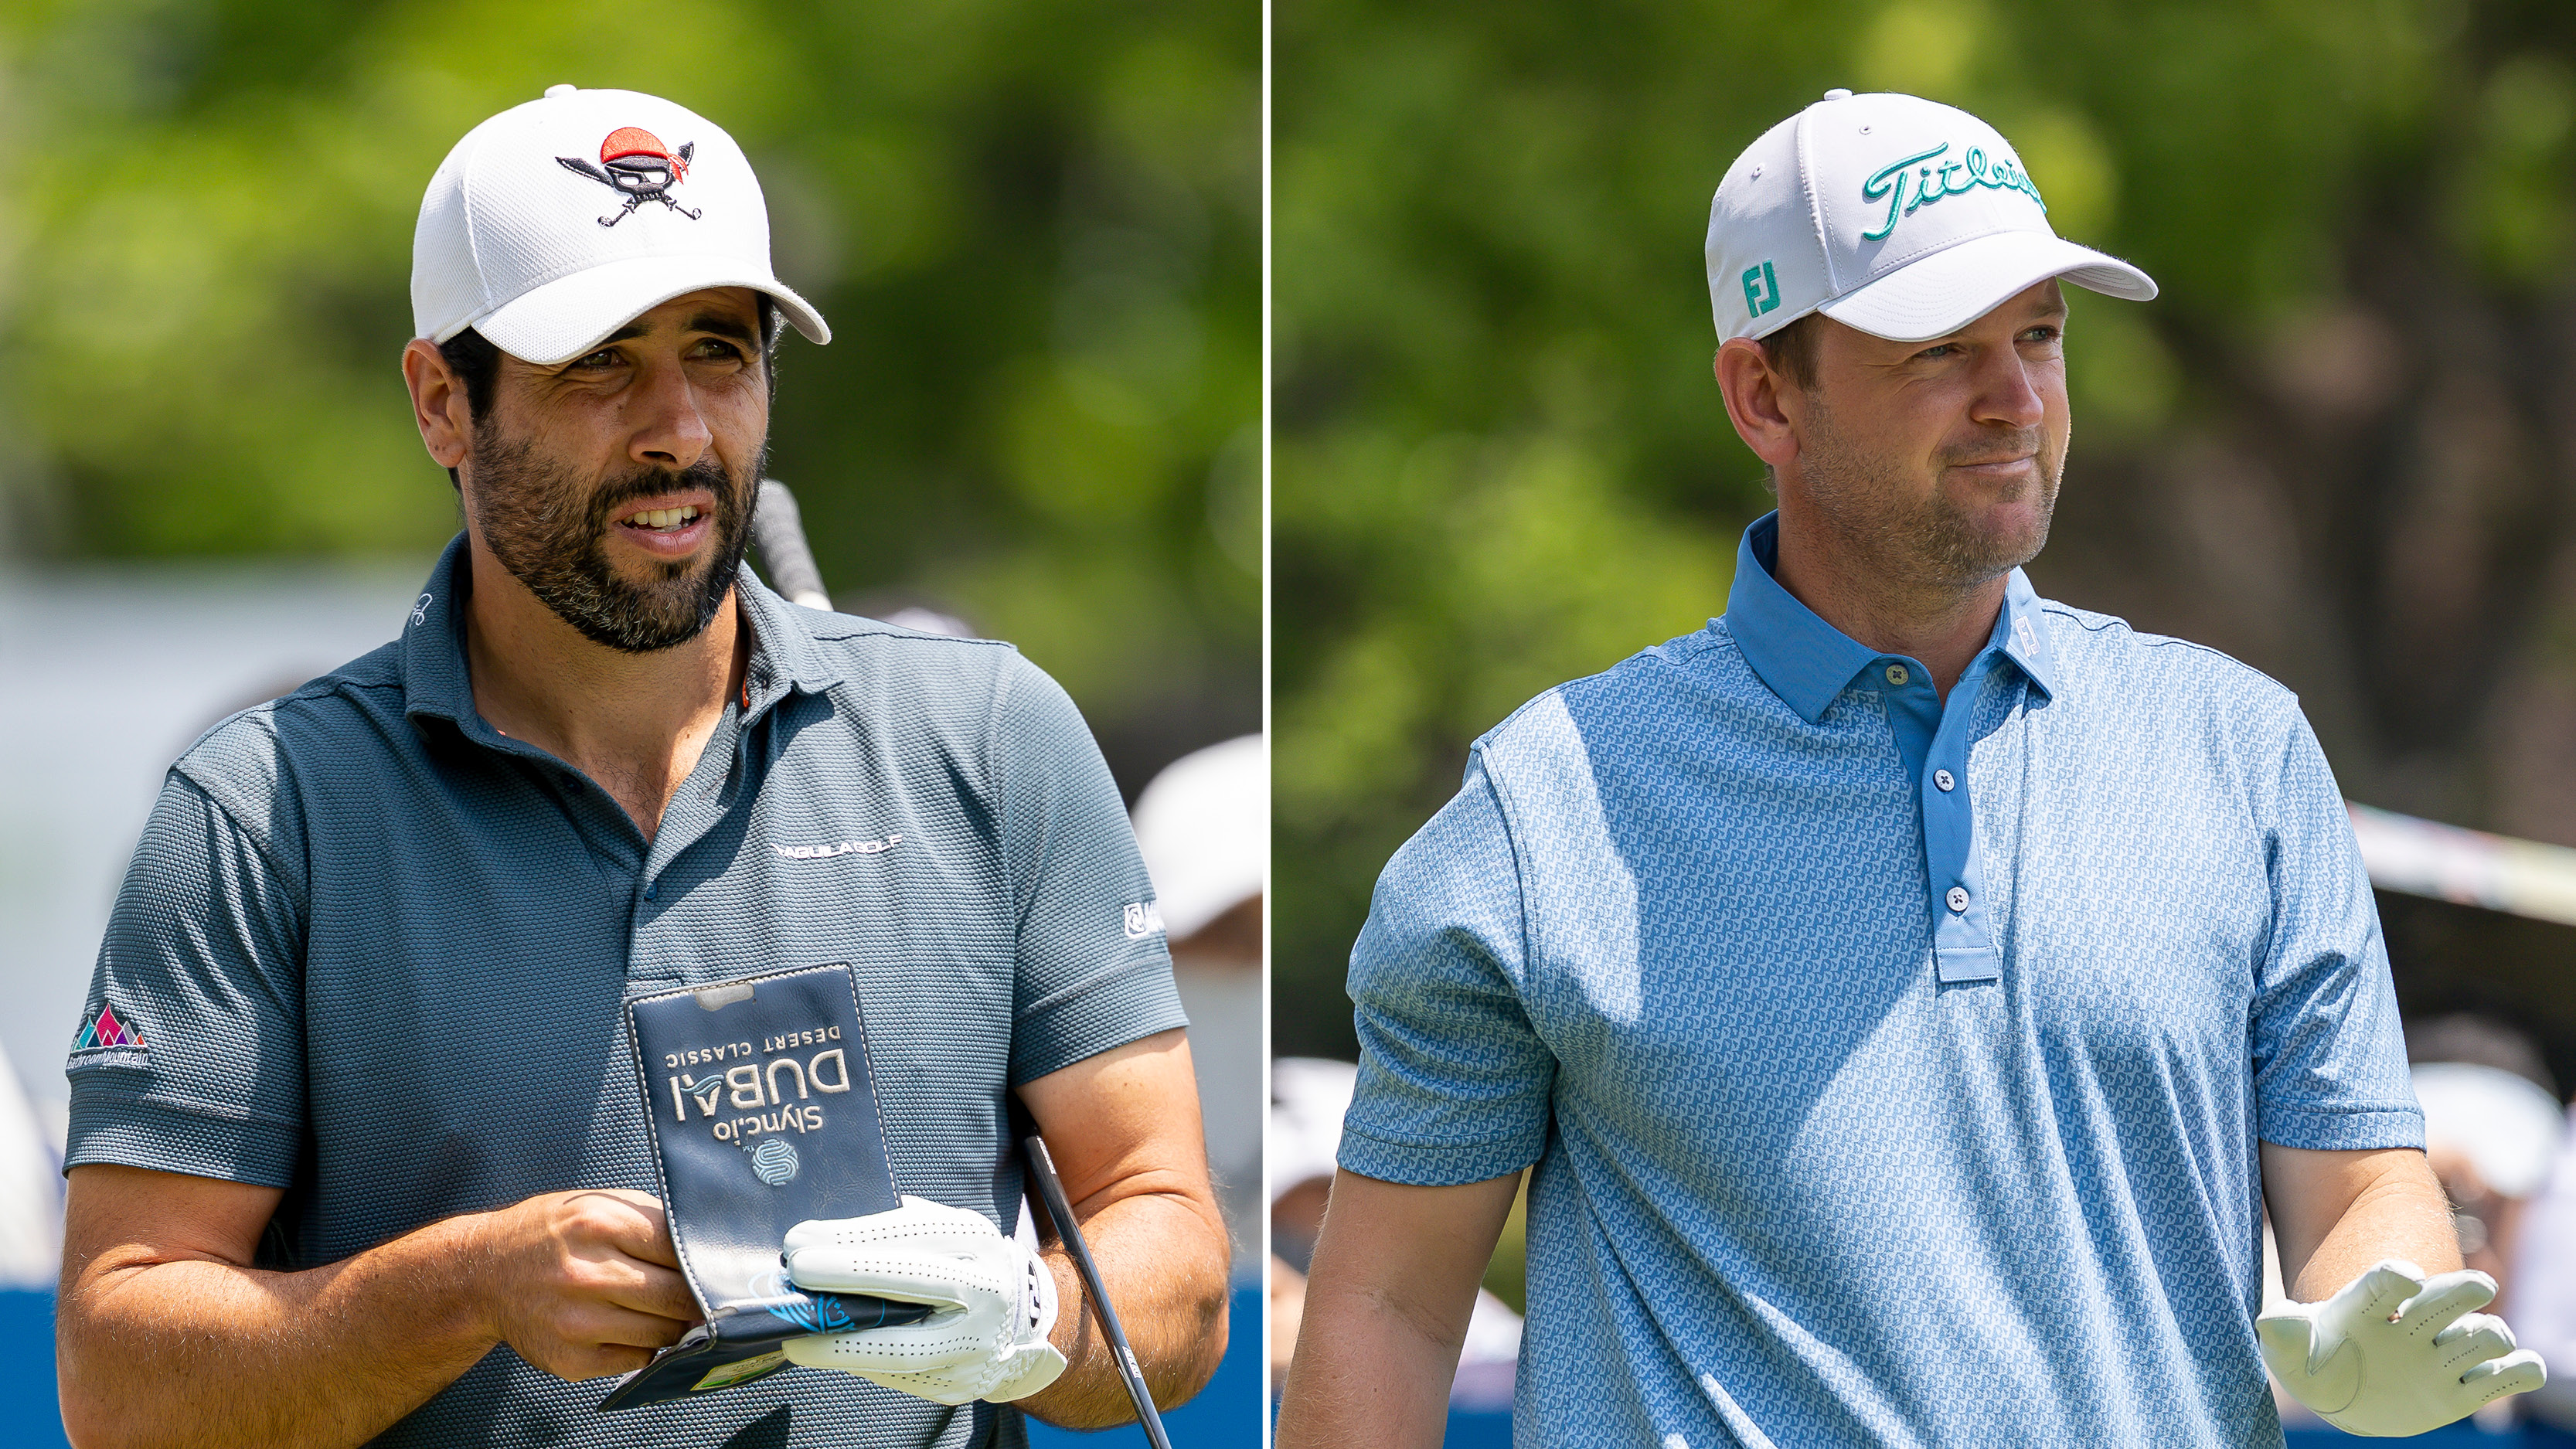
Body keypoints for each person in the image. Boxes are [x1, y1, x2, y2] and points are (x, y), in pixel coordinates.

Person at [1275, 89, 2546, 1447]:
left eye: (2041, 337)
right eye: (1940, 349)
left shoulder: (2237, 750)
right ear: (1764, 393)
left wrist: (2387, 1306)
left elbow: (2357, 1189)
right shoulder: (1544, 812)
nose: (2016, 398)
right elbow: (1387, 1310)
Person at [54, 86, 1228, 1449]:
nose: (677, 427)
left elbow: (1178, 1266)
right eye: (600, 362)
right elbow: (117, 1383)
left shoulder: (987, 734)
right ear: (444, 402)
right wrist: (460, 1291)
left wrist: (1021, 1317)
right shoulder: (265, 810)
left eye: (720, 353)